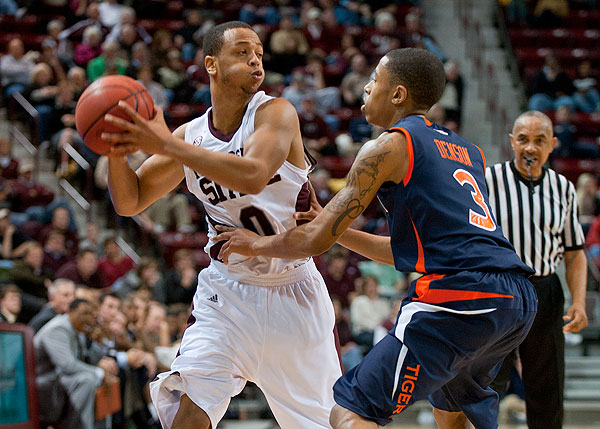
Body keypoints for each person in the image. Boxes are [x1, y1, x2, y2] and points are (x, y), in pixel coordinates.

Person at [214, 47, 538, 428]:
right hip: (514, 299)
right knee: (451, 412)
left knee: (350, 411)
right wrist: (334, 227)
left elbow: (314, 241)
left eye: (374, 81)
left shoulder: (388, 146)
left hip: (463, 294)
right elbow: (408, 253)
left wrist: (253, 244)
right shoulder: (470, 152)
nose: (366, 88)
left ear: (397, 94)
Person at [100, 21, 341, 429]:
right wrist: (114, 149)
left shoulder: (276, 113)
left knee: (327, 423)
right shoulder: (191, 136)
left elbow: (252, 174)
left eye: (260, 54)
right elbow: (130, 201)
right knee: (189, 412)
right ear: (211, 64)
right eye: (243, 52)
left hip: (294, 291)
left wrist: (166, 145)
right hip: (227, 296)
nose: (255, 61)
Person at [485, 110, 588, 429]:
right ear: (512, 142)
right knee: (485, 384)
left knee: (547, 388)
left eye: (539, 140)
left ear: (553, 145)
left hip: (545, 290)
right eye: (524, 140)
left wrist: (580, 302)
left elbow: (574, 252)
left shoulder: (563, 188)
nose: (530, 147)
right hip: (498, 291)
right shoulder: (488, 180)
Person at [34, 298, 119, 429]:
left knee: (103, 378)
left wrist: (98, 346)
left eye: (91, 314)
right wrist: (100, 373)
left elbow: (86, 360)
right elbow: (67, 366)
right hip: (43, 383)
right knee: (88, 380)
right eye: (84, 313)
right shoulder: (57, 329)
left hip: (60, 380)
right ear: (71, 312)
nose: (89, 318)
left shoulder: (78, 329)